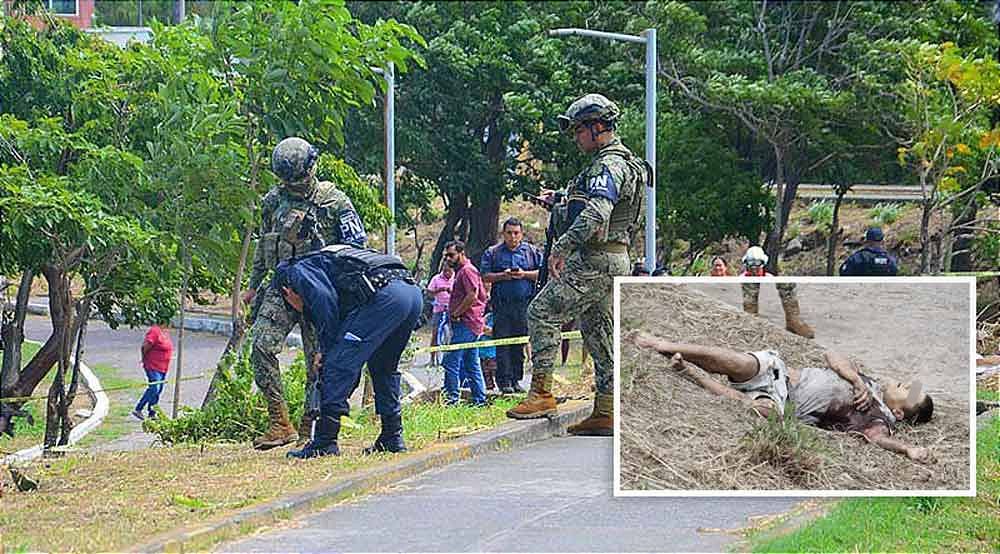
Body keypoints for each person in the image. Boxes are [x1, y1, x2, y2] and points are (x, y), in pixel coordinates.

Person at [507, 93, 648, 437]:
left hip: (595, 259)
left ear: (597, 127)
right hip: (617, 258)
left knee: (542, 312)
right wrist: (561, 201)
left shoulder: (607, 165)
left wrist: (561, 247)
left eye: (578, 130)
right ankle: (606, 409)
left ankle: (541, 392)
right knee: (599, 334)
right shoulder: (626, 163)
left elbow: (598, 212)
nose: (575, 137)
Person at [628, 332, 933, 461]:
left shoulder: (879, 419)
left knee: (763, 413)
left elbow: (879, 440)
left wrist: (908, 450)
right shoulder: (866, 381)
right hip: (779, 373)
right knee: (738, 361)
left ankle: (692, 374)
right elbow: (831, 354)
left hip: (782, 404)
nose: (903, 383)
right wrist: (855, 380)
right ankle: (663, 345)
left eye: (906, 390)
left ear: (900, 414)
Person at [243, 137, 369, 450]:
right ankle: (279, 421)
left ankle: (310, 426)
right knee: (260, 346)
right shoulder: (273, 201)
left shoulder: (334, 202)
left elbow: (357, 249)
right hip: (283, 285)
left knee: (321, 360)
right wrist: (253, 283)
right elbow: (265, 244)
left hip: (321, 293)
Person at [272, 245, 422, 459]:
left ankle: (325, 442)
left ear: (287, 291)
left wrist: (326, 349)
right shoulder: (326, 260)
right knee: (383, 367)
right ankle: (392, 436)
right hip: (411, 292)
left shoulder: (297, 272)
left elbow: (325, 302)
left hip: (385, 296)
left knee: (335, 365)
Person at [481, 217, 542, 394]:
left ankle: (516, 379)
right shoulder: (493, 252)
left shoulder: (531, 251)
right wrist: (503, 276)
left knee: (519, 344)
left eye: (516, 233)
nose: (513, 237)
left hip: (524, 305)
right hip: (502, 306)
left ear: (521, 234)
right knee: (503, 344)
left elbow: (542, 273)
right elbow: (485, 275)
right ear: (503, 234)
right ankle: (504, 381)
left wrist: (524, 274)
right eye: (509, 233)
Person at [441, 240, 488, 405]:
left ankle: (451, 399)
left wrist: (456, 313)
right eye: (446, 255)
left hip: (466, 323)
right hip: (468, 324)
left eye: (451, 255)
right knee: (471, 363)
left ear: (461, 253)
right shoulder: (460, 271)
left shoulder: (467, 271)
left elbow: (472, 296)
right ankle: (479, 400)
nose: (448, 259)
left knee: (450, 361)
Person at [740, 246, 815, 339]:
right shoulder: (742, 277)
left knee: (787, 284)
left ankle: (793, 320)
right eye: (751, 264)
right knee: (750, 301)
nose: (754, 268)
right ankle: (752, 322)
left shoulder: (769, 277)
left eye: (757, 264)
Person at [133, 320, 173, 420]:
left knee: (158, 390)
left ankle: (152, 413)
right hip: (152, 366)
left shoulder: (165, 333)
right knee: (154, 388)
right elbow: (145, 346)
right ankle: (138, 408)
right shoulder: (154, 331)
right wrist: (144, 358)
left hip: (163, 367)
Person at [426, 263, 454, 366]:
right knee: (435, 333)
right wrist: (439, 290)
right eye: (445, 271)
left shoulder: (456, 277)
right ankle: (432, 358)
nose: (448, 273)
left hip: (452, 309)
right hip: (438, 308)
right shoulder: (436, 278)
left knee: (453, 333)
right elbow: (429, 292)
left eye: (449, 271)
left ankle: (450, 359)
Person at [479, 310, 498, 392]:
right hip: (482, 352)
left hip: (493, 352)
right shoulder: (487, 317)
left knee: (494, 370)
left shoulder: (496, 318)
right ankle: (489, 388)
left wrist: (485, 329)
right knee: (485, 373)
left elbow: (494, 333)